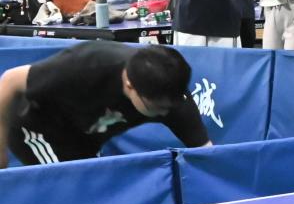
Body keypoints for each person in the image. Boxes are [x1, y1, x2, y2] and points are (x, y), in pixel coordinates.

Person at [0, 44, 211, 168]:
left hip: (85, 137)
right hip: (38, 127)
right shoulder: (84, 67)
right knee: (69, 190)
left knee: (94, 192)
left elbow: (207, 154)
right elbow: (10, 80)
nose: (165, 112)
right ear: (130, 86)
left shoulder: (172, 98)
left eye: (170, 106)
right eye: (157, 108)